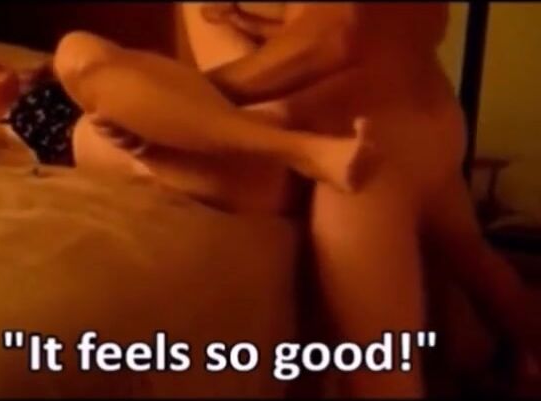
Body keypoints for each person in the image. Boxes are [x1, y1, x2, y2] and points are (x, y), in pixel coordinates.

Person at [183, 2, 540, 397]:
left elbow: (338, 33)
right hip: (421, 114)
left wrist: (186, 98)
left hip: (367, 146)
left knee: (380, 371)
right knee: (477, 264)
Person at [0, 30, 373, 215]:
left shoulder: (59, 75)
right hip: (219, 175)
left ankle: (298, 143)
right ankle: (302, 149)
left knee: (78, 53)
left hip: (233, 123)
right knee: (79, 70)